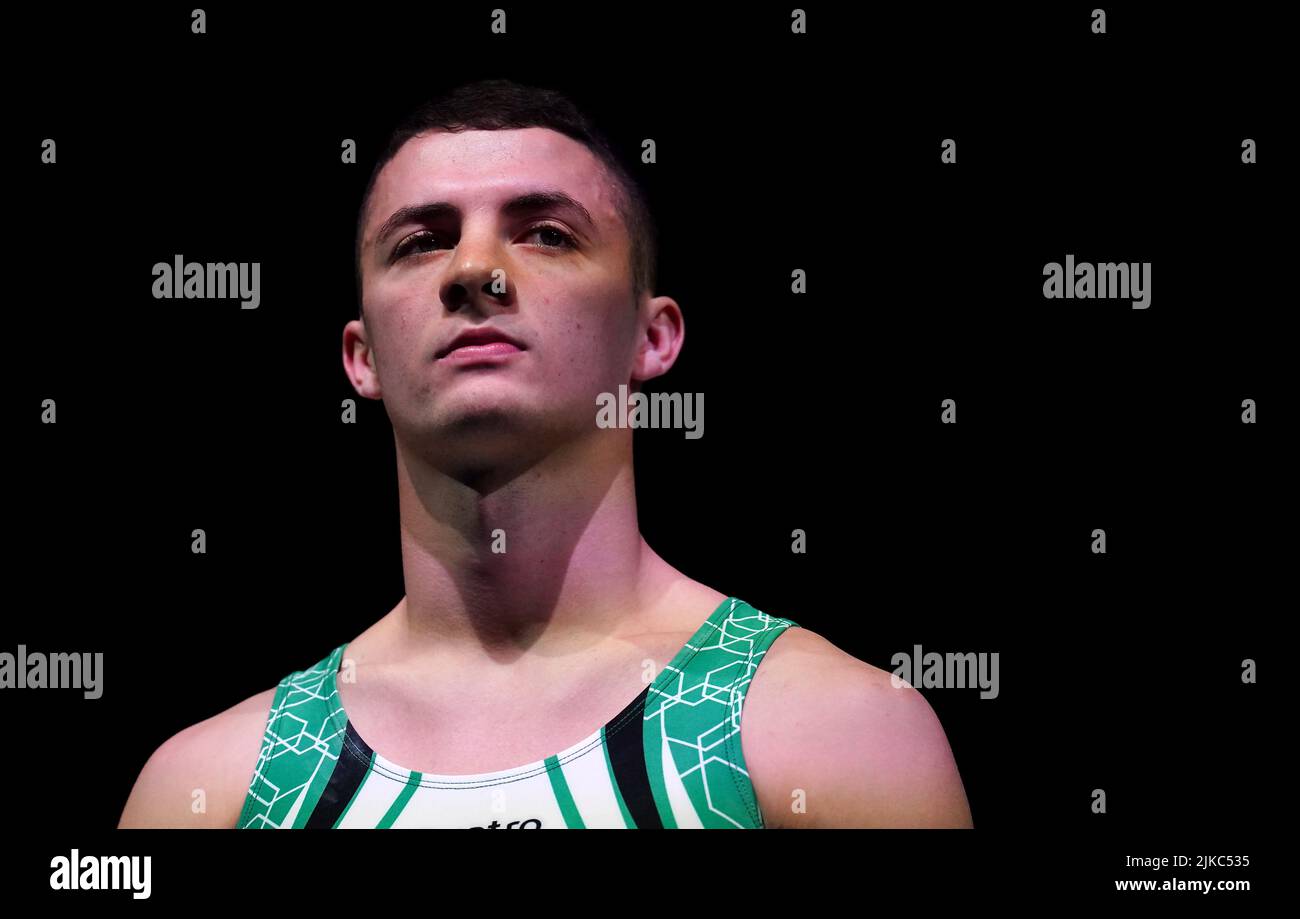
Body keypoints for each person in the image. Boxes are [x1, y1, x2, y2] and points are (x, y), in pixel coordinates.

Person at [118, 79, 973, 829]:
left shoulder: (839, 733)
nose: (475, 270)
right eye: (422, 241)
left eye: (546, 234)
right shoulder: (211, 787)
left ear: (652, 335)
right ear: (362, 356)